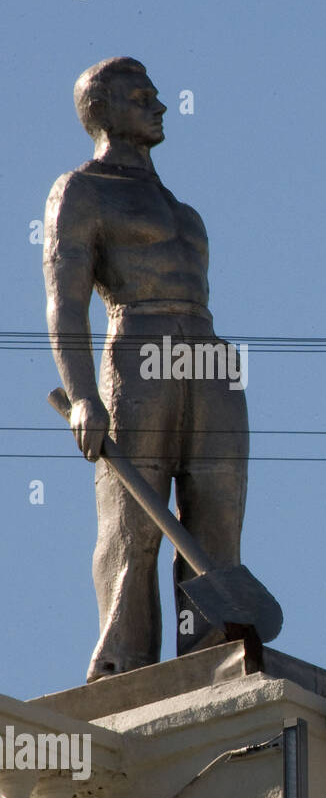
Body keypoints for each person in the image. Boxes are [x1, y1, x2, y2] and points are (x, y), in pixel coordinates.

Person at [44, 57, 249, 682]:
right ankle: (123, 663)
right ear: (103, 110)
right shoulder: (82, 190)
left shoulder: (184, 211)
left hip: (209, 351)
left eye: (157, 96)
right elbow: (65, 300)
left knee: (217, 513)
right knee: (136, 519)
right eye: (142, 97)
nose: (159, 107)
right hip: (138, 342)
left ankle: (212, 657)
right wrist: (82, 395)